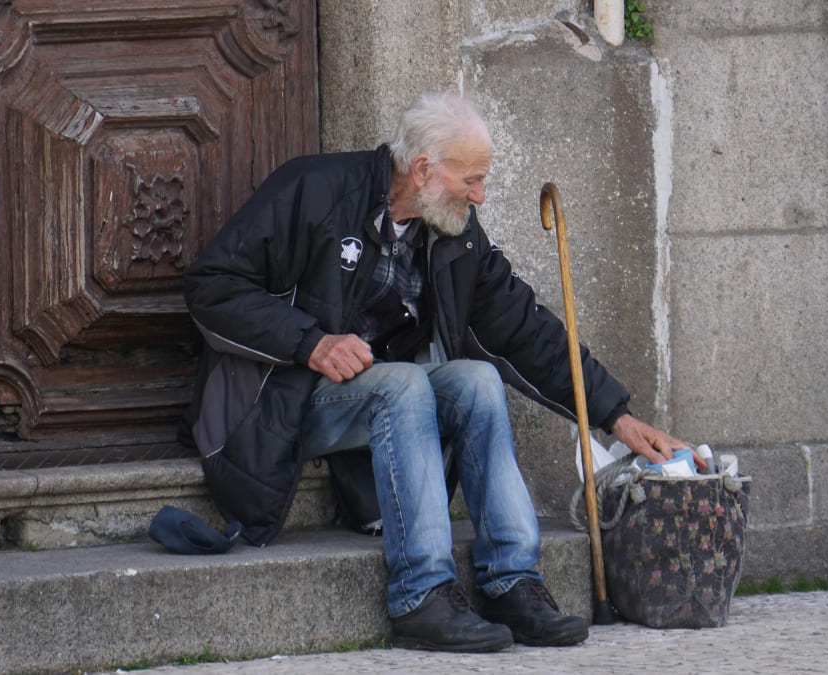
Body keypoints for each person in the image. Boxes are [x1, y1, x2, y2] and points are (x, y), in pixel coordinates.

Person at [181, 93, 698, 652]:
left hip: (374, 402)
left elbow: (524, 328)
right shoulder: (314, 189)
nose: (479, 195)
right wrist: (311, 343)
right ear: (423, 169)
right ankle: (421, 594)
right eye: (472, 180)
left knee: (476, 382)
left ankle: (513, 580)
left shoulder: (453, 231)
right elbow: (212, 285)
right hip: (279, 401)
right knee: (403, 385)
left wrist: (614, 415)